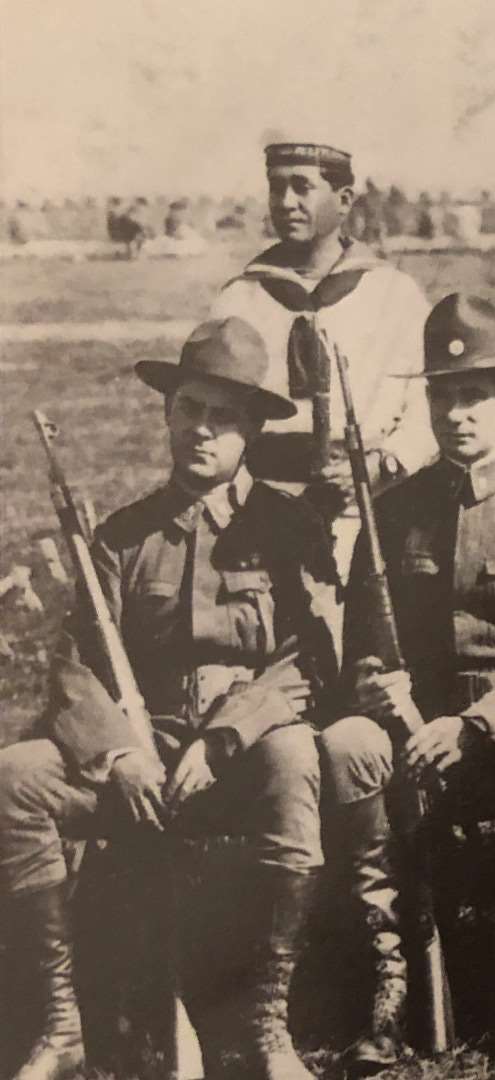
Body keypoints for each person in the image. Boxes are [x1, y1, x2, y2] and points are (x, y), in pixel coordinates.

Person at [0, 319, 334, 1080]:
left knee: (293, 756)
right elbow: (75, 664)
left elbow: (305, 659)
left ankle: (265, 1025)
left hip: (238, 761)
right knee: (17, 773)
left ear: (252, 428)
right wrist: (117, 753)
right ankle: (62, 1026)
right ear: (167, 415)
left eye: (223, 417)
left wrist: (226, 738)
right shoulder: (122, 537)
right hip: (143, 767)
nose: (202, 431)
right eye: (188, 409)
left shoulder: (288, 528)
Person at [320, 295, 495, 1066]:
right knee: (346, 744)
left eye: (475, 397)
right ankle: (392, 969)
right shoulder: (394, 510)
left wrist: (477, 724)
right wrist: (382, 694)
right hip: (415, 732)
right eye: (444, 396)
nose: (458, 415)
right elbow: (363, 648)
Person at [209, 142, 435, 578]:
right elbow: (214, 410)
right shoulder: (239, 298)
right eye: (276, 189)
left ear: (345, 200)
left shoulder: (393, 293)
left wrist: (382, 466)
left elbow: (427, 405)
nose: (286, 202)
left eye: (302, 187)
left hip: (372, 503)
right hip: (266, 509)